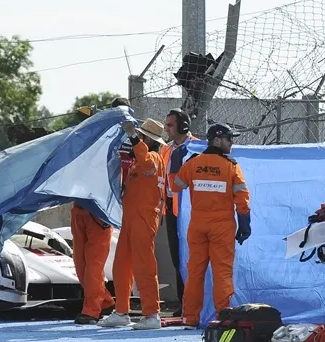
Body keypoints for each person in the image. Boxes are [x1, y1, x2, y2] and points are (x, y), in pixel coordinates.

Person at [170, 123, 251, 329]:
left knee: (195, 272)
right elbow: (242, 197)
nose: (232, 143)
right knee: (222, 272)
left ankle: (190, 318)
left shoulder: (193, 164)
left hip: (197, 226)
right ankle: (223, 317)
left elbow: (175, 186)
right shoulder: (230, 166)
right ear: (217, 140)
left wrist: (175, 163)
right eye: (229, 139)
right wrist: (244, 223)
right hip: (222, 227)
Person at [98, 119, 168, 330]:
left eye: (141, 136)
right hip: (133, 218)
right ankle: (121, 311)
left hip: (143, 217)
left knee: (144, 266)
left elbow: (146, 161)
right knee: (122, 265)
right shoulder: (143, 161)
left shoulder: (153, 158)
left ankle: (152, 314)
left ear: (147, 139)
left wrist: (133, 137)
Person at [161, 108, 196, 317]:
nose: (166, 129)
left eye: (170, 125)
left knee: (191, 257)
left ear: (183, 126)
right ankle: (183, 302)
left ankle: (192, 302)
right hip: (171, 209)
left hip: (190, 211)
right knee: (177, 257)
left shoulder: (197, 147)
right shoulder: (166, 150)